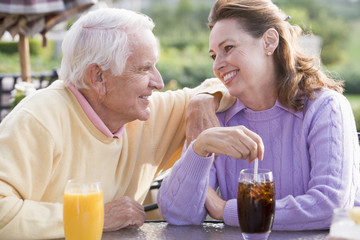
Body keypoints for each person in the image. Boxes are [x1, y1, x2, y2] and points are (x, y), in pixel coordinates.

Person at [0, 7, 235, 239]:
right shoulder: (39, 119)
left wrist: (204, 100)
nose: (159, 82)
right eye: (144, 69)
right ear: (98, 77)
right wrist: (95, 215)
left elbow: (236, 83)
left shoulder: (146, 111)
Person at [158, 0, 360, 231]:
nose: (218, 65)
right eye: (214, 55)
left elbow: (330, 206)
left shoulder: (325, 108)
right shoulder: (219, 118)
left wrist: (227, 210)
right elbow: (178, 214)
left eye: (228, 48)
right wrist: (199, 149)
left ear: (269, 41)